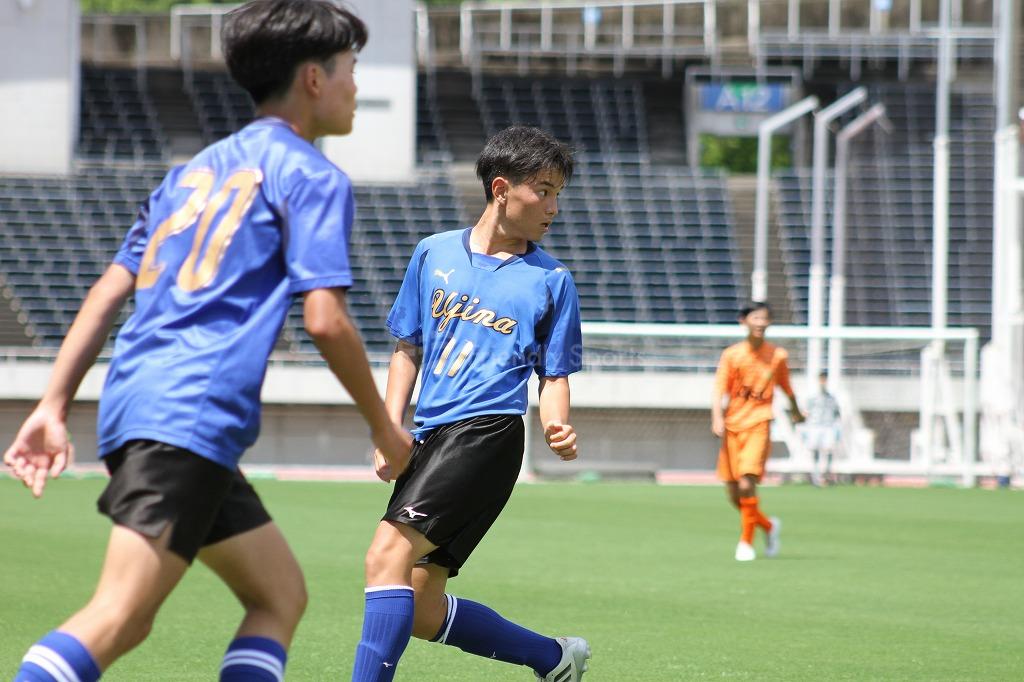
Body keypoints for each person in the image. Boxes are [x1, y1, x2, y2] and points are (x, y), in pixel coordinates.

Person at [3, 2, 412, 680]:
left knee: (278, 595)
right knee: (120, 615)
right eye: (350, 69)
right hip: (189, 415)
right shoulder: (312, 175)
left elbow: (107, 292)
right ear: (314, 78)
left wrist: (52, 405)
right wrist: (385, 428)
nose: (355, 86)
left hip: (144, 406)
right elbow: (325, 320)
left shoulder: (190, 173)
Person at [350, 126, 591, 682]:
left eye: (558, 194)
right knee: (420, 606)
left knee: (384, 556)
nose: (554, 207)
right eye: (544, 191)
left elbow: (554, 374)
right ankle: (554, 658)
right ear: (501, 189)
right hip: (432, 438)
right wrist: (389, 429)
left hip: (487, 435)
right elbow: (406, 349)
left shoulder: (553, 280)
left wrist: (557, 423)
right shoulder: (432, 253)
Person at [711, 301, 802, 562]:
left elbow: (787, 387)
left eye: (765, 318)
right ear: (744, 321)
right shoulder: (732, 355)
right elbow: (719, 389)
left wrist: (796, 412)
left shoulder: (777, 356)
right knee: (734, 493)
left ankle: (746, 543)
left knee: (746, 482)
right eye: (756, 318)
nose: (761, 323)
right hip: (733, 427)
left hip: (759, 424)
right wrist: (717, 417)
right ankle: (769, 527)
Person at [801, 371, 842, 486]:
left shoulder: (832, 397)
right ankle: (816, 476)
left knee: (829, 449)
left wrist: (838, 428)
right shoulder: (812, 397)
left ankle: (827, 474)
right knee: (815, 450)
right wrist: (803, 427)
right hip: (814, 426)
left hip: (828, 426)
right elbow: (805, 412)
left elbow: (837, 413)